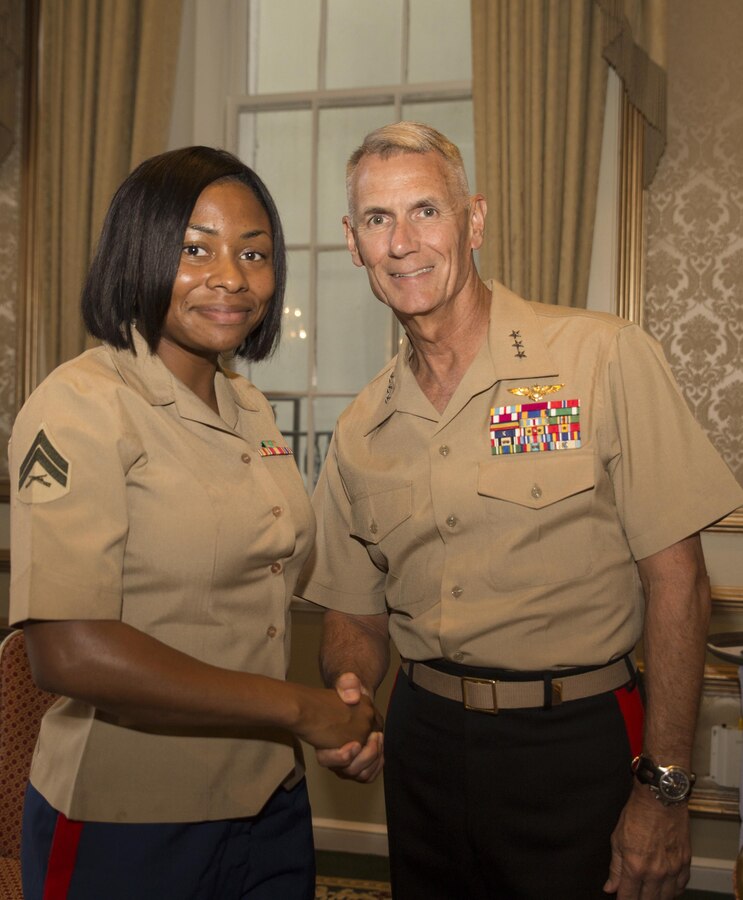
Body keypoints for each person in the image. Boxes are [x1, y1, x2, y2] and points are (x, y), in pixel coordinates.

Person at [298, 122, 743, 900]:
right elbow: (355, 615)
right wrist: (348, 685)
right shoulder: (361, 427)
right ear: (352, 241)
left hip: (574, 741)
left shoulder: (598, 359)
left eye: (425, 211)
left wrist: (664, 790)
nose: (402, 242)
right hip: (423, 747)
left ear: (473, 221)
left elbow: (680, 586)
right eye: (377, 219)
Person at [8, 145, 381, 900]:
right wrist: (302, 711)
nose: (232, 278)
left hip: (268, 800)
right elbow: (68, 653)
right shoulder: (83, 404)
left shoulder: (250, 408)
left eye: (254, 253)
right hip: (129, 819)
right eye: (194, 249)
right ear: (139, 252)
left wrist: (344, 695)